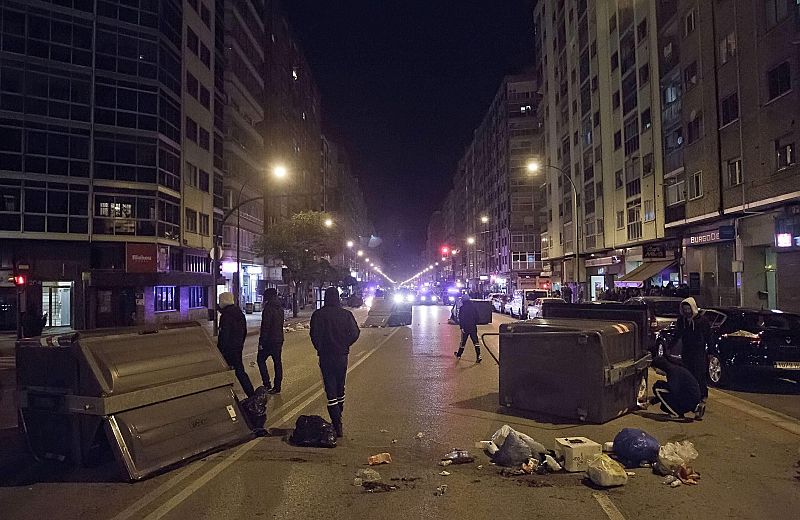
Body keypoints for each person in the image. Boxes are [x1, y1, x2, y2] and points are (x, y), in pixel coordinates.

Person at [310, 287, 361, 438]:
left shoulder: (318, 315)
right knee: (340, 386)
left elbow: (314, 335)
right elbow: (355, 333)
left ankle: (336, 422)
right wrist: (345, 344)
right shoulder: (345, 315)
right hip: (341, 355)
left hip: (326, 356)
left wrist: (320, 347)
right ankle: (339, 417)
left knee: (330, 388)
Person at [676, 297, 710, 418]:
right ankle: (688, 400)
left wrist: (709, 351)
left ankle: (701, 398)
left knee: (699, 375)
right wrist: (669, 347)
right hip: (687, 352)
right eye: (684, 308)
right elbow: (677, 335)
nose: (686, 311)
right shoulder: (682, 321)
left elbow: (708, 336)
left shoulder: (702, 321)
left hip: (698, 352)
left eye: (688, 308)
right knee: (687, 376)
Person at [217, 292, 255, 397]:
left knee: (226, 373)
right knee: (239, 371)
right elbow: (244, 331)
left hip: (228, 349)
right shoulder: (239, 313)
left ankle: (227, 396)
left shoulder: (226, 315)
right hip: (237, 347)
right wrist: (240, 344)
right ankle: (250, 394)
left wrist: (220, 350)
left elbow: (224, 334)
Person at [258, 288, 284, 394]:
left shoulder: (268, 309)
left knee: (260, 360)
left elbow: (266, 327)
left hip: (269, 340)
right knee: (277, 362)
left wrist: (261, 342)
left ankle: (267, 384)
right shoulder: (279, 308)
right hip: (278, 339)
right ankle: (277, 386)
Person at [454, 294, 482, 362]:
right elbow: (477, 317)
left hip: (465, 327)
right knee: (475, 341)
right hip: (473, 327)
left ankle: (459, 355)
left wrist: (462, 327)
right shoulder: (473, 307)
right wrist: (474, 323)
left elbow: (461, 319)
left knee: (463, 342)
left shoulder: (462, 308)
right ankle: (478, 355)